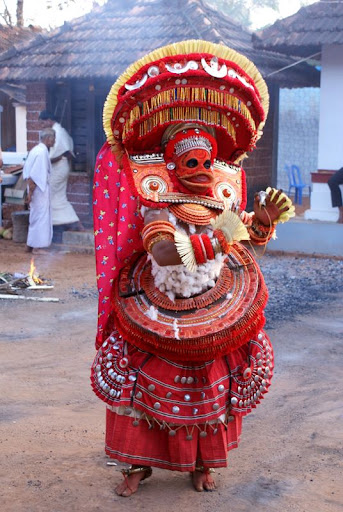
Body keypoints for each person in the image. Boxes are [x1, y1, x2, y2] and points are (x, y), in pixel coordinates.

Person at [91, 40, 295, 496]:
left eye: (206, 160)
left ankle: (202, 465)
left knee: (211, 387)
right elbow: (162, 254)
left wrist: (262, 222)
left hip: (214, 309)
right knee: (143, 382)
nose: (201, 168)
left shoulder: (218, 206)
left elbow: (250, 241)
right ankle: (136, 466)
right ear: (172, 165)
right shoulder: (157, 207)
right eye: (190, 161)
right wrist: (220, 237)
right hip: (157, 309)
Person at [39, 110, 84, 232]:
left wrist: (44, 161)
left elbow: (63, 153)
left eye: (43, 123)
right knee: (55, 196)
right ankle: (62, 223)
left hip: (59, 166)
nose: (42, 126)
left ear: (49, 120)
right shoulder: (58, 131)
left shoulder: (58, 132)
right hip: (59, 166)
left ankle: (75, 223)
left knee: (56, 195)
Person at [23, 128, 55, 254]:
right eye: (53, 139)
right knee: (40, 217)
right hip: (38, 190)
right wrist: (30, 193)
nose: (54, 142)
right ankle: (37, 247)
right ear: (48, 139)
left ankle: (30, 245)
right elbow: (34, 175)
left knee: (35, 216)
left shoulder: (37, 150)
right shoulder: (41, 152)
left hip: (36, 190)